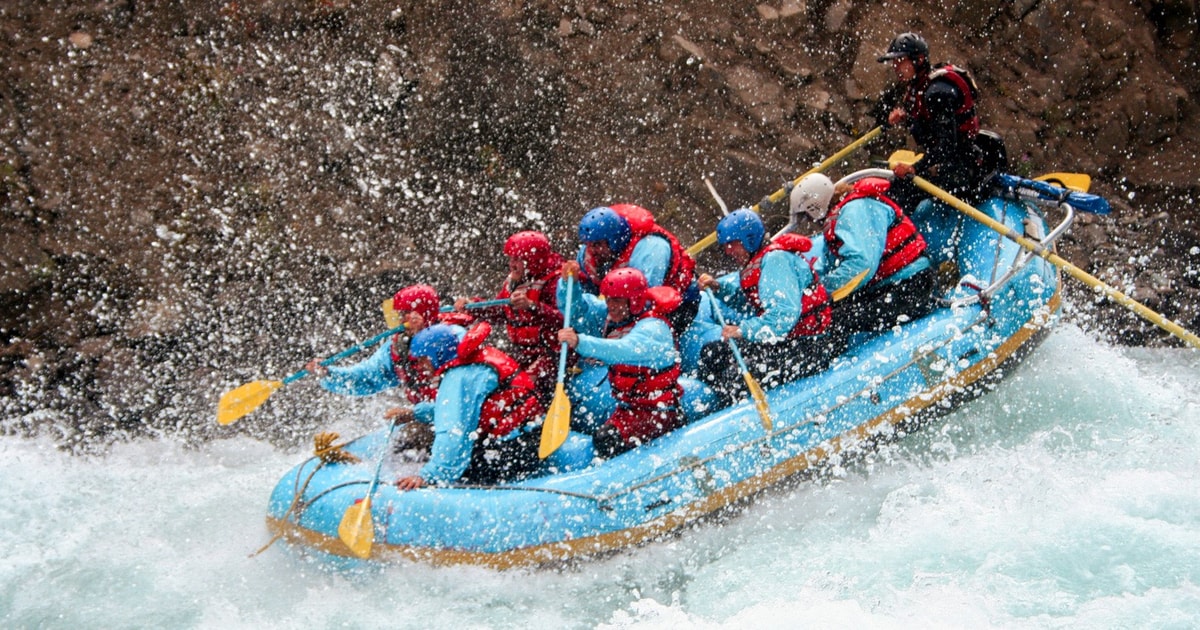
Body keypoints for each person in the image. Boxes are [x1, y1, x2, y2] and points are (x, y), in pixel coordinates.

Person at [696, 209, 839, 408]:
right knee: (712, 354)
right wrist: (719, 289)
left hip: (809, 346)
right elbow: (753, 302)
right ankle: (712, 412)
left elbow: (782, 317)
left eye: (732, 244)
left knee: (734, 377)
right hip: (786, 341)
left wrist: (742, 330)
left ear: (749, 239)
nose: (728, 251)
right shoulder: (760, 261)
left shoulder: (776, 260)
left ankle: (741, 422)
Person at [304, 284, 459, 450]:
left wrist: (415, 414)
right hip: (431, 419)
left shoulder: (453, 338)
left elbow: (462, 404)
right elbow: (367, 378)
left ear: (421, 314)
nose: (401, 321)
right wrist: (329, 373)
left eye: (405, 314)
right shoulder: (400, 347)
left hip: (462, 424)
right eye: (400, 315)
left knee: (419, 440)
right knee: (406, 444)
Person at [395, 322, 545, 489]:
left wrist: (427, 476)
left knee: (454, 467)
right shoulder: (474, 361)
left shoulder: (457, 377)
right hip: (531, 437)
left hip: (510, 451)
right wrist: (416, 413)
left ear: (437, 354)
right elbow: (465, 409)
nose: (422, 366)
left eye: (424, 359)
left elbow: (453, 431)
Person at [556, 267, 684, 458]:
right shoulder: (615, 316)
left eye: (616, 299)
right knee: (602, 436)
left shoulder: (654, 328)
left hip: (660, 412)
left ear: (634, 301)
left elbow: (622, 350)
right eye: (608, 299)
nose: (610, 305)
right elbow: (578, 310)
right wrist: (569, 284)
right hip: (627, 410)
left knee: (606, 439)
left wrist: (580, 342)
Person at [792, 173, 936, 340]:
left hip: (911, 285)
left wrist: (822, 293)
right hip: (890, 285)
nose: (808, 220)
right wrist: (807, 290)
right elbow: (830, 267)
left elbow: (862, 264)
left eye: (806, 215)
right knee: (820, 315)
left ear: (814, 206)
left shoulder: (855, 209)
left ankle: (830, 361)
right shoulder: (839, 216)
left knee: (834, 320)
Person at [874, 32, 990, 212]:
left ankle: (901, 233)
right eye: (894, 62)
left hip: (961, 172)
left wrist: (915, 168)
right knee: (895, 187)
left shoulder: (937, 94)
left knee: (899, 193)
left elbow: (948, 146)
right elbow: (928, 127)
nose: (896, 67)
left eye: (901, 61)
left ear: (918, 60)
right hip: (948, 165)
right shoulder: (918, 88)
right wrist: (903, 118)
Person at [455, 231, 564, 404]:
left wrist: (533, 306)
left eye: (517, 260)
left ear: (533, 261)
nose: (512, 265)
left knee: (524, 387)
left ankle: (536, 416)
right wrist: (472, 306)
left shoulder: (555, 283)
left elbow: (565, 320)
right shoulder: (513, 282)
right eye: (511, 259)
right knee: (497, 378)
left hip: (550, 356)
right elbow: (498, 311)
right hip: (522, 353)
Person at [561, 204, 699, 336]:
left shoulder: (652, 248)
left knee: (631, 323)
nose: (591, 250)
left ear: (613, 240)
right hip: (624, 299)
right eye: (588, 244)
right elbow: (583, 298)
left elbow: (643, 299)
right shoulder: (589, 252)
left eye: (597, 245)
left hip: (676, 300)